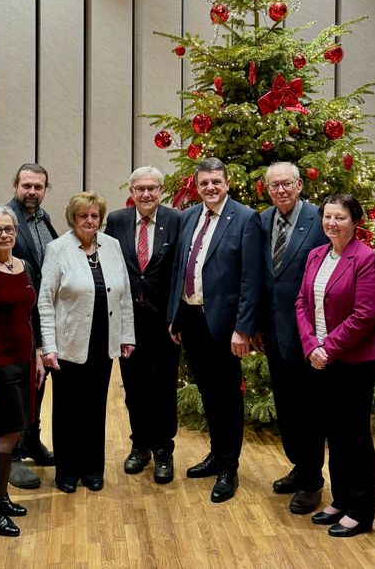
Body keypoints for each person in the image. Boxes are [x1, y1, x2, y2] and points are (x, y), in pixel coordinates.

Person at [167, 157, 262, 503]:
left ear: (227, 182)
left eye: (216, 182)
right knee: (207, 391)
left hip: (224, 325)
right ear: (197, 184)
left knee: (227, 396)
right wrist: (175, 317)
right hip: (192, 319)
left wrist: (244, 328)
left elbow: (252, 278)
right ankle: (215, 454)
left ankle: (229, 467)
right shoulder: (189, 216)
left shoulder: (245, 218)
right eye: (204, 182)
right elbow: (181, 268)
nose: (210, 188)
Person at [295, 193, 375, 539]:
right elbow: (302, 302)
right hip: (319, 358)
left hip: (352, 361)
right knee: (333, 432)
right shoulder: (317, 254)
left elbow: (364, 315)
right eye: (328, 217)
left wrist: (327, 348)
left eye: (340, 218)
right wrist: (310, 345)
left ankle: (360, 510)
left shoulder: (364, 259)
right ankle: (341, 498)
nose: (332, 223)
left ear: (355, 221)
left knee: (355, 436)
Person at [38, 191, 135, 493]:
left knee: (95, 408)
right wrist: (48, 346)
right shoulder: (58, 249)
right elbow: (45, 300)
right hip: (68, 344)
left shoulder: (112, 246)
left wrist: (127, 336)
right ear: (73, 218)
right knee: (68, 410)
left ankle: (93, 469)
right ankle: (67, 471)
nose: (90, 221)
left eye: (95, 216)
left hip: (104, 343)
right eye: (84, 216)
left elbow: (124, 296)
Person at [258, 161, 328, 515]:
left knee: (309, 409)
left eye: (287, 184)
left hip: (307, 333)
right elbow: (259, 275)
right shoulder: (263, 220)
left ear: (300, 185)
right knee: (287, 406)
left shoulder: (321, 219)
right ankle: (299, 467)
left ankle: (313, 481)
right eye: (274, 186)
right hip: (273, 333)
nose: (281, 190)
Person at [0, 205, 45, 537]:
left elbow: (32, 314)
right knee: (7, 432)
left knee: (15, 430)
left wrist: (39, 355)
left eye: (10, 229)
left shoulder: (24, 266)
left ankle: (0, 496)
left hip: (25, 359)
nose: (5, 235)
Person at [105, 166, 181, 483]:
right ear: (132, 191)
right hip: (128, 322)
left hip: (164, 324)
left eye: (152, 188)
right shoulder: (117, 220)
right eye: (140, 189)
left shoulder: (175, 220)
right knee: (134, 388)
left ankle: (164, 450)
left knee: (163, 388)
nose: (146, 194)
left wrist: (177, 317)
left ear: (160, 190)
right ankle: (140, 446)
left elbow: (179, 271)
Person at [4, 163, 58, 486]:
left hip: (40, 316)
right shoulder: (3, 220)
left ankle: (31, 440)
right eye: (27, 185)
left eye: (38, 186)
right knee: (15, 388)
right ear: (15, 185)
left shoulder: (43, 218)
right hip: (15, 319)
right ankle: (9, 457)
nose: (32, 192)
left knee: (38, 382)